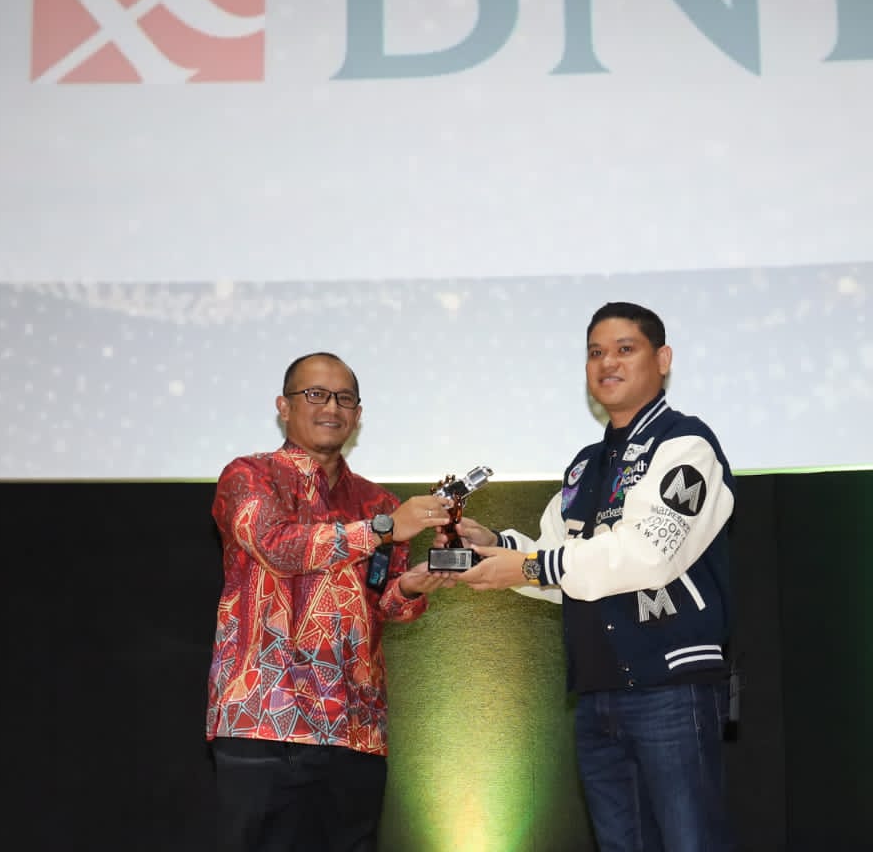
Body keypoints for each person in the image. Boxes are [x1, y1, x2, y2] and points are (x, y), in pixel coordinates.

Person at [454, 302, 738, 852]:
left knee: (692, 842)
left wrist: (532, 564)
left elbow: (650, 553)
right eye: (595, 353)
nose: (608, 363)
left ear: (663, 360)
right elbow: (558, 559)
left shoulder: (686, 445)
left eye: (625, 349)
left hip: (671, 686)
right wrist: (497, 547)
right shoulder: (586, 464)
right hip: (597, 692)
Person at [206, 351, 458, 852]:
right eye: (315, 394)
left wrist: (416, 584)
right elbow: (279, 547)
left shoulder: (378, 501)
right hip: (265, 719)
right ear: (284, 406)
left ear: (358, 414)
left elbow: (384, 602)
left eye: (344, 398)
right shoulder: (249, 476)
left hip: (356, 728)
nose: (331, 407)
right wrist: (383, 529)